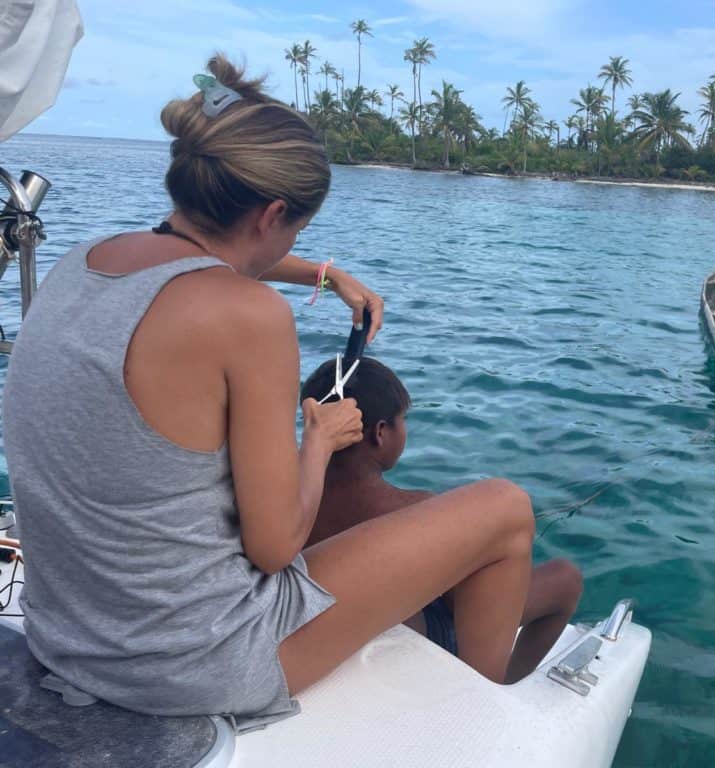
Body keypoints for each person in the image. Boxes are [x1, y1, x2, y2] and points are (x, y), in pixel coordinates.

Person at [2, 56, 536, 726]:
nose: (294, 244)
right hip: (196, 665)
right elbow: (275, 548)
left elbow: (194, 252)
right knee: (505, 509)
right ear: (274, 213)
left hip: (70, 641)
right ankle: (478, 731)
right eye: (298, 231)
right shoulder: (248, 317)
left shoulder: (86, 259)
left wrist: (322, 273)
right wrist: (317, 443)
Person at [301, 357, 583, 682]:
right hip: (415, 630)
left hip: (326, 621)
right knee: (566, 578)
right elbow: (462, 600)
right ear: (380, 433)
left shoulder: (293, 501)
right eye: (402, 419)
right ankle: (502, 685)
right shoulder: (413, 510)